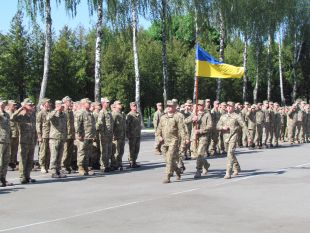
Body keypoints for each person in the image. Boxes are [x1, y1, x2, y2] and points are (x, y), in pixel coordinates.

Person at [156, 100, 188, 183]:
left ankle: (167, 176)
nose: (169, 107)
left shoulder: (177, 117)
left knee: (170, 158)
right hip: (164, 142)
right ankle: (177, 171)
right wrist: (159, 137)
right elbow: (158, 129)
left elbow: (182, 130)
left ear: (174, 107)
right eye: (168, 106)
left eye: (171, 106)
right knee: (167, 160)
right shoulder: (163, 117)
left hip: (173, 141)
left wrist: (185, 140)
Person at [217, 101, 249, 179]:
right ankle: (237, 167)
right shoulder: (223, 116)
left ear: (234, 107)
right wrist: (222, 128)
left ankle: (228, 172)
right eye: (228, 106)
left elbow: (244, 126)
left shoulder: (237, 116)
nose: (229, 107)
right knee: (230, 153)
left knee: (230, 153)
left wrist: (249, 136)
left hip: (233, 137)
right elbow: (217, 126)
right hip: (225, 138)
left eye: (231, 106)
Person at [11, 98, 37, 184]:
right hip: (24, 141)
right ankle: (22, 176)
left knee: (30, 159)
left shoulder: (32, 115)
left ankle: (27, 176)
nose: (31, 106)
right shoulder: (21, 116)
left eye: (31, 105)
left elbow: (34, 128)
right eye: (29, 105)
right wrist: (21, 108)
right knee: (23, 159)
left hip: (31, 140)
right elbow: (12, 118)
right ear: (25, 105)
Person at [188, 100, 212, 178]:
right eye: (198, 105)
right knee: (197, 154)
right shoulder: (194, 114)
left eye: (201, 105)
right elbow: (185, 121)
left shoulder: (207, 115)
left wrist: (200, 131)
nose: (199, 106)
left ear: (204, 106)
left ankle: (198, 170)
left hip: (203, 137)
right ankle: (206, 164)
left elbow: (210, 126)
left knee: (199, 153)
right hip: (194, 137)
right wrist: (193, 119)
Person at [75, 98, 96, 175]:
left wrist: (93, 135)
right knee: (82, 152)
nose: (90, 104)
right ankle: (81, 168)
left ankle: (86, 167)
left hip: (89, 136)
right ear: (83, 104)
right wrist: (79, 134)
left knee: (88, 153)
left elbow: (93, 125)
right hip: (83, 136)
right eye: (88, 103)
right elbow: (77, 125)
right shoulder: (80, 112)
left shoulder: (90, 113)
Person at [47, 100, 67, 178]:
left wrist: (65, 136)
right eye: (61, 106)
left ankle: (58, 170)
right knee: (54, 156)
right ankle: (53, 171)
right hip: (54, 138)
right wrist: (56, 110)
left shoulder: (64, 115)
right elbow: (48, 118)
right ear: (57, 106)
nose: (63, 107)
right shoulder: (53, 113)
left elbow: (65, 126)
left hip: (61, 137)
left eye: (63, 106)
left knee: (60, 156)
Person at [97, 97, 114, 172]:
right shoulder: (102, 112)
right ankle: (103, 166)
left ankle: (107, 165)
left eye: (108, 102)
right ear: (103, 103)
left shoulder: (108, 112)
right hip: (104, 135)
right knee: (104, 151)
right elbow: (100, 124)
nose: (108, 104)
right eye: (107, 102)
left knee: (109, 151)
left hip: (109, 135)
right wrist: (102, 133)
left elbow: (111, 124)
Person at [0, 98, 13, 187]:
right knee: (0, 161)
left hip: (7, 140)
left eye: (4, 103)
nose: (3, 105)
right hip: (0, 141)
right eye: (1, 104)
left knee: (5, 161)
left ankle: (3, 178)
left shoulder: (7, 115)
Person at [36, 98, 51, 173]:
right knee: (43, 151)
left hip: (50, 134)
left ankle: (47, 165)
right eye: (48, 102)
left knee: (48, 151)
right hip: (44, 134)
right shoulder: (41, 113)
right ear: (44, 104)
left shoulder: (50, 112)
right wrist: (39, 135)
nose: (49, 104)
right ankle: (42, 166)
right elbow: (38, 125)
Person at [61, 96, 76, 173]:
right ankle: (63, 166)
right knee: (65, 151)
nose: (71, 102)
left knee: (70, 151)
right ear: (66, 102)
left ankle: (67, 165)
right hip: (65, 134)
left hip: (71, 134)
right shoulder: (63, 111)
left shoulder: (71, 112)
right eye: (70, 101)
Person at [126, 102, 142, 168]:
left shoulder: (138, 114)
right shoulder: (129, 115)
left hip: (138, 134)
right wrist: (128, 135)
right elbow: (127, 126)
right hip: (132, 135)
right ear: (131, 107)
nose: (135, 107)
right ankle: (131, 162)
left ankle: (134, 161)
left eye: (135, 105)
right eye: (133, 106)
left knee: (137, 149)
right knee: (131, 149)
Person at [111, 100, 126, 170]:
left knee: (121, 151)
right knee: (115, 151)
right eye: (119, 104)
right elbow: (112, 125)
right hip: (116, 135)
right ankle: (114, 164)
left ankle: (119, 163)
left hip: (122, 135)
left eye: (121, 103)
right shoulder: (114, 114)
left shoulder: (122, 114)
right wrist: (113, 134)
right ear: (115, 105)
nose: (121, 105)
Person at [7, 100, 19, 171]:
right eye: (13, 105)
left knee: (14, 149)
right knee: (9, 150)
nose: (15, 106)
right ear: (9, 106)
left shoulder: (15, 112)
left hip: (15, 134)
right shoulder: (8, 113)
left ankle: (12, 162)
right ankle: (8, 163)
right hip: (10, 135)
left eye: (15, 105)